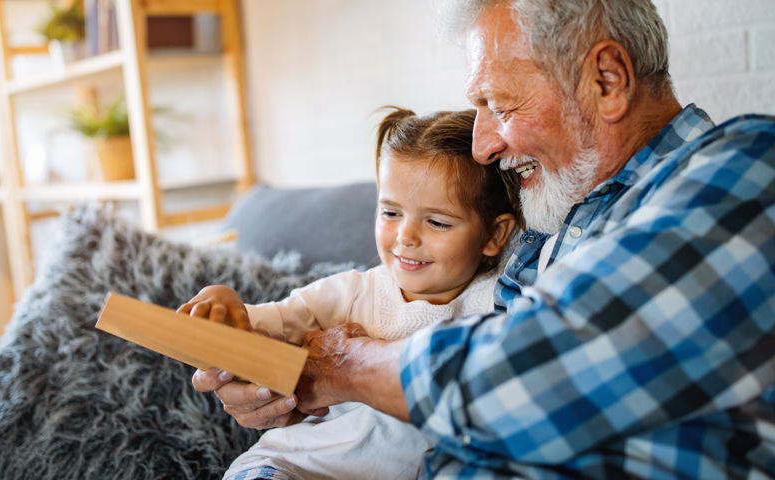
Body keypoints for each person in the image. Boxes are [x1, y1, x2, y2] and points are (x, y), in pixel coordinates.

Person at [194, 0, 775, 478]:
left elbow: (538, 375)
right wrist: (293, 394)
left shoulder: (747, 171)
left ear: (606, 80)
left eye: (499, 105)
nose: (482, 147)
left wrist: (340, 368)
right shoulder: (547, 230)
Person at [180, 107, 522, 480]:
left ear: (494, 235)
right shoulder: (352, 292)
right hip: (292, 467)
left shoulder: (500, 303)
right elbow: (261, 323)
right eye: (390, 213)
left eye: (437, 221)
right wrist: (223, 303)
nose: (405, 236)